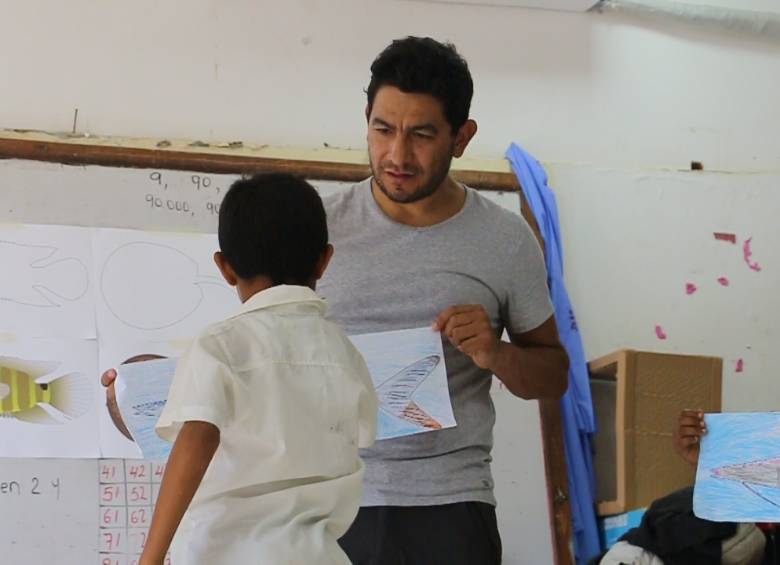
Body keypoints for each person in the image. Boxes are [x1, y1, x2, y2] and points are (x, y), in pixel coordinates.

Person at [319, 36, 569, 564]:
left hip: (451, 507)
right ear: (366, 118)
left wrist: (496, 355)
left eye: (422, 135)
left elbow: (553, 374)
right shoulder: (317, 229)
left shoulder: (505, 240)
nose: (397, 155)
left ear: (461, 137)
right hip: (328, 502)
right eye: (383, 129)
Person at [136, 173, 378, 565]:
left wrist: (149, 559)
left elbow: (197, 438)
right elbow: (362, 435)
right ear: (324, 260)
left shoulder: (219, 345)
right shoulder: (345, 353)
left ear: (225, 267)